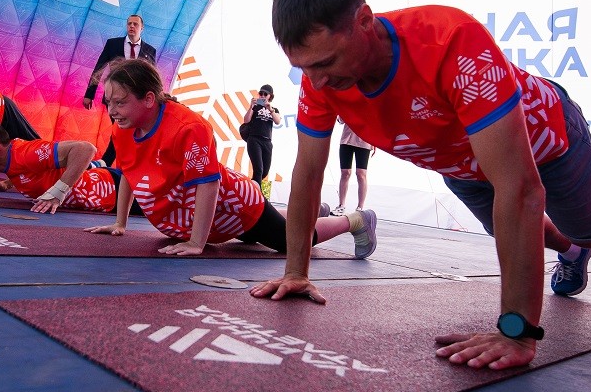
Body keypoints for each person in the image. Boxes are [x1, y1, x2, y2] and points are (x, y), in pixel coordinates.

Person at [252, 0, 591, 371]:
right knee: (513, 230)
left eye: (324, 63)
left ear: (365, 21)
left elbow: (521, 189)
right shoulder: (319, 79)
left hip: (549, 142)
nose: (315, 81)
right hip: (462, 166)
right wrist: (296, 272)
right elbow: (308, 172)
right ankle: (570, 252)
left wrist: (516, 331)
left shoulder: (449, 39)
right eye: (304, 67)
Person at [85, 58, 374, 257]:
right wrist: (119, 222)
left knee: (294, 240)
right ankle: (313, 212)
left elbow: (207, 185)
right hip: (213, 221)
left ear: (149, 99)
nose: (112, 110)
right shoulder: (122, 129)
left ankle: (355, 221)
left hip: (237, 206)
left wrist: (196, 243)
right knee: (255, 235)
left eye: (120, 102)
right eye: (109, 102)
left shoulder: (188, 128)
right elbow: (129, 174)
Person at [0, 121, 120, 214]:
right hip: (108, 198)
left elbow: (86, 149)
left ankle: (98, 165)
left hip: (114, 189)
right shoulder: (10, 159)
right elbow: (29, 169)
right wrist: (6, 184)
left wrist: (58, 193)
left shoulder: (26, 154)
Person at [83, 13, 158, 165]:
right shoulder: (113, 44)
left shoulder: (150, 51)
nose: (131, 26)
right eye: (129, 23)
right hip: (115, 99)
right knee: (121, 130)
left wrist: (156, 99)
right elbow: (99, 69)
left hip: (136, 100)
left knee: (127, 132)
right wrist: (89, 94)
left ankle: (110, 164)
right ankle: (107, 163)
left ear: (141, 28)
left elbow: (151, 78)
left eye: (135, 24)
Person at [242, 84, 282, 199]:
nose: (263, 96)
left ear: (270, 96)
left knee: (264, 171)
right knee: (258, 169)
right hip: (254, 139)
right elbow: (246, 120)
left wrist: (270, 109)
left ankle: (249, 190)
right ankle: (258, 197)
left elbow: (278, 121)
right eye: (261, 93)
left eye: (266, 94)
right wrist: (251, 106)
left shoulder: (274, 109)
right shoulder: (255, 107)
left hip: (267, 142)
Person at [334, 119, 374, 215]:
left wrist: (374, 142)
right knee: (345, 172)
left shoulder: (370, 105)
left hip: (364, 141)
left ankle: (360, 208)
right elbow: (340, 120)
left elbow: (375, 123)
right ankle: (341, 206)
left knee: (361, 174)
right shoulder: (347, 104)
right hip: (346, 140)